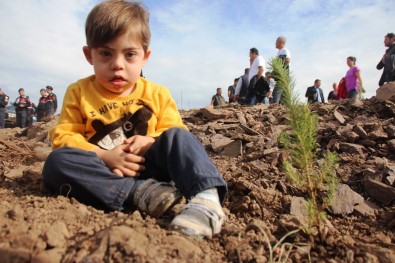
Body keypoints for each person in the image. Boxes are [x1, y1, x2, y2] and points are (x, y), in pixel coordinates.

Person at [42, 0, 227, 239]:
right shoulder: (79, 92)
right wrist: (105, 156)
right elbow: (63, 135)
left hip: (151, 166)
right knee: (56, 163)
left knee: (180, 137)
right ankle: (139, 194)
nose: (117, 65)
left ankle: (206, 200)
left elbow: (173, 129)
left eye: (130, 55)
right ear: (89, 55)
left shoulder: (157, 93)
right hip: (106, 172)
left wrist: (150, 140)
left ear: (145, 57)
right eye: (106, 54)